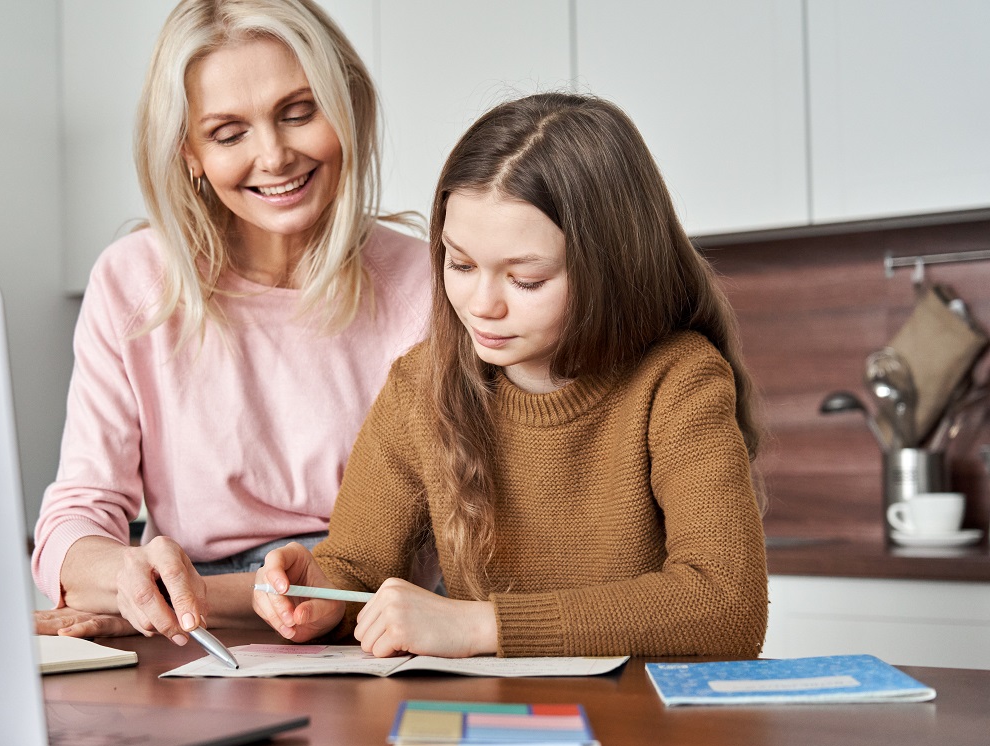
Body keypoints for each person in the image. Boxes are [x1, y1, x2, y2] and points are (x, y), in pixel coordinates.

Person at [253, 93, 769, 659]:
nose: (481, 306)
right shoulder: (420, 384)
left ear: (614, 268)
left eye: (525, 280)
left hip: (643, 727)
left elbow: (726, 606)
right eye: (461, 265)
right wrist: (319, 591)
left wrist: (483, 627)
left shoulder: (679, 381)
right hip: (497, 722)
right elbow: (357, 564)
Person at [32, 0, 431, 645]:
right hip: (191, 632)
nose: (274, 157)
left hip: (367, 624)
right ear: (188, 151)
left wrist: (181, 598)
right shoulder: (132, 281)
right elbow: (76, 520)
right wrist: (131, 576)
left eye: (299, 113)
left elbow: (429, 547)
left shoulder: (430, 284)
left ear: (348, 109)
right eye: (228, 133)